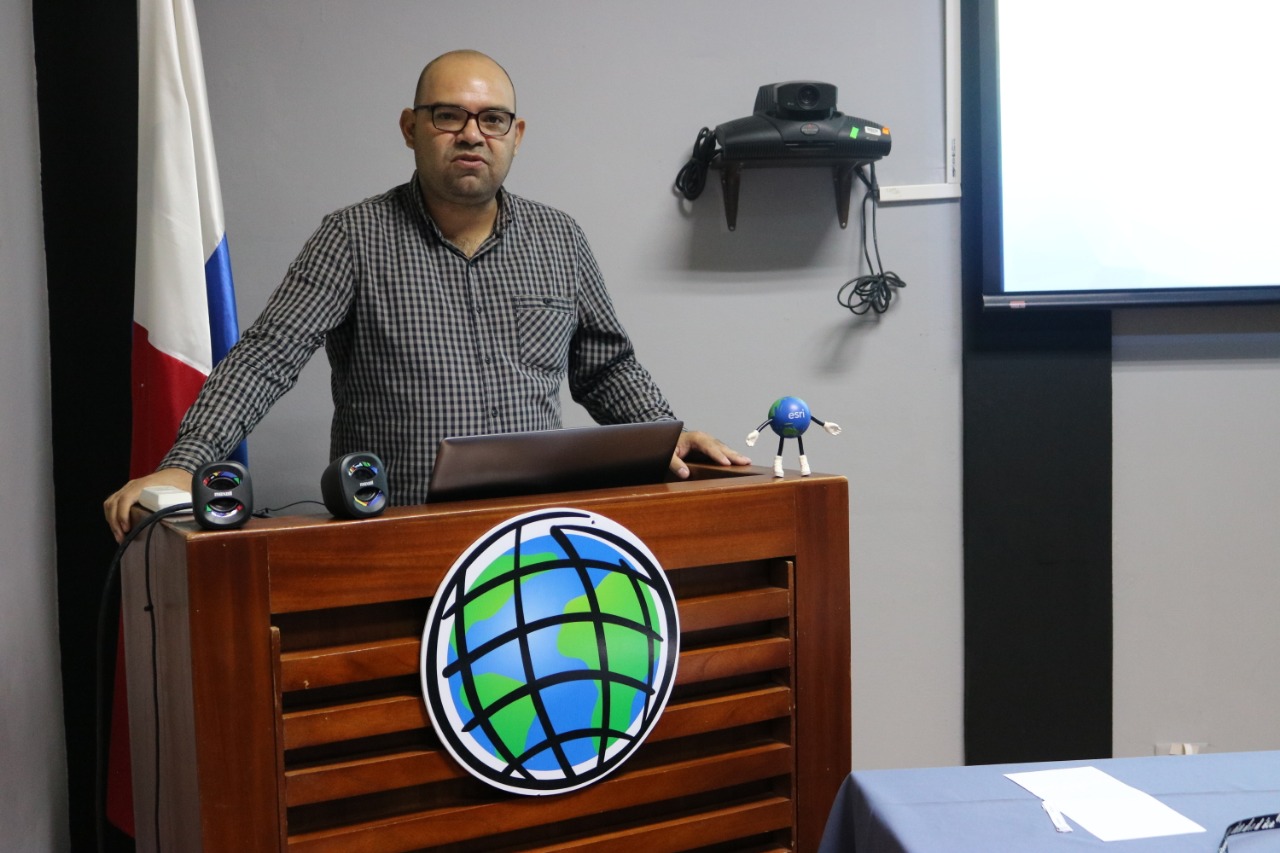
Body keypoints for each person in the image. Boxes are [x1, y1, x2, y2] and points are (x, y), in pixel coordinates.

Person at [105, 49, 749, 542]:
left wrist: (668, 432)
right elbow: (266, 358)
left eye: (492, 119)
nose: (472, 134)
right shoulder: (352, 237)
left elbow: (605, 366)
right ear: (411, 128)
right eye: (448, 116)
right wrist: (186, 462)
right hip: (398, 538)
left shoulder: (560, 238)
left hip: (535, 537)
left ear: (516, 134)